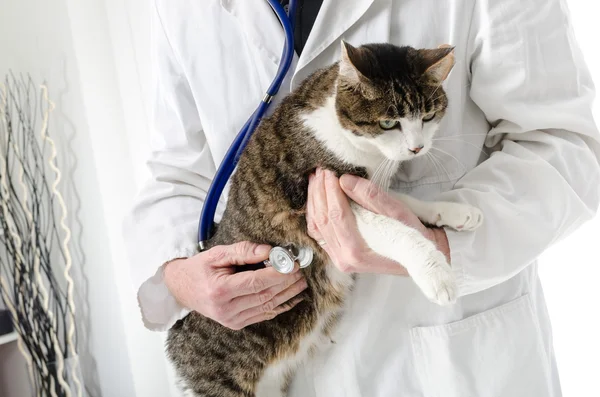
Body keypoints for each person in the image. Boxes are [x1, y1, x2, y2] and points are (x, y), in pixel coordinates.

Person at [123, 0, 600, 395]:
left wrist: (440, 247)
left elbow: (564, 144)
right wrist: (179, 278)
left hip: (443, 362)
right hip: (266, 361)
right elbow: (177, 172)